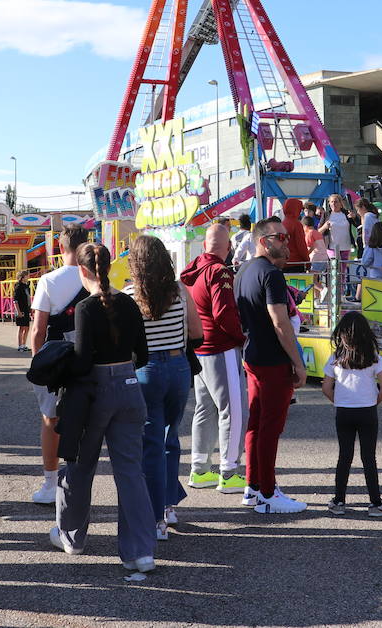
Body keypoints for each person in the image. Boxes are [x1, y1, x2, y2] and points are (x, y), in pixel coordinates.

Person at [50, 241, 156, 573]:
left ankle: (72, 537)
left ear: (82, 271)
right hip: (129, 388)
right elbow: (144, 354)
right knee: (130, 472)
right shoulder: (129, 303)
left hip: (95, 392)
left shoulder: (85, 308)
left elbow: (81, 362)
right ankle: (140, 552)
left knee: (80, 465)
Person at [125, 234, 203, 538]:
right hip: (179, 367)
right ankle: (170, 506)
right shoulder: (180, 291)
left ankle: (156, 518)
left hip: (146, 370)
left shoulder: (130, 295)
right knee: (172, 438)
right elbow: (197, 332)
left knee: (151, 443)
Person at [235, 216, 309, 514]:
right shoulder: (271, 275)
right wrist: (298, 363)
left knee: (256, 423)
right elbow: (281, 323)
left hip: (253, 356)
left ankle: (254, 487)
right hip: (271, 360)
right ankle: (266, 493)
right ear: (264, 241)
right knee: (269, 427)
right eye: (281, 237)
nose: (287, 242)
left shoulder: (244, 271)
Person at [182, 221, 248, 494]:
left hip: (199, 348)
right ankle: (229, 471)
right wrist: (241, 338)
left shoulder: (193, 270)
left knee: (204, 409)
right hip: (221, 348)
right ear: (228, 246)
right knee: (233, 411)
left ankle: (199, 469)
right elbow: (224, 314)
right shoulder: (219, 271)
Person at [29, 223, 91, 504]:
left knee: (50, 419)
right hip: (89, 354)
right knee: (89, 419)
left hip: (56, 355)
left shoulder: (49, 280)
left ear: (60, 248)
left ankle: (51, 485)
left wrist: (37, 363)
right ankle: (79, 480)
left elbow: (38, 329)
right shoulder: (96, 277)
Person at [322, 311, 382, 517]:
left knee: (344, 456)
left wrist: (340, 401)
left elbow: (326, 388)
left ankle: (338, 501)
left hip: (343, 411)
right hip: (367, 411)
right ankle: (375, 503)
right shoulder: (373, 357)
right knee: (368, 457)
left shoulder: (335, 357)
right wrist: (374, 402)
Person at [281, 198, 311, 267]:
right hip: (296, 262)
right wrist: (307, 261)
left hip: (284, 262)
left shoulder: (282, 223)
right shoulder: (296, 224)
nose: (300, 211)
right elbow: (301, 245)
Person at [12, 269, 32, 352]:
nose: (28, 277)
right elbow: (15, 300)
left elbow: (28, 298)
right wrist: (18, 311)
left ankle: (24, 344)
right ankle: (20, 345)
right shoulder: (18, 286)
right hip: (21, 309)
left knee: (27, 327)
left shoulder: (26, 286)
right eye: (27, 275)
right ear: (22, 277)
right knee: (21, 327)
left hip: (26, 309)